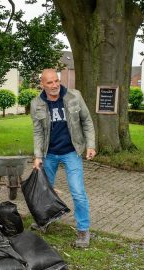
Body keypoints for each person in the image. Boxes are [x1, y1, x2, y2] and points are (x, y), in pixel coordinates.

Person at [30, 69, 96, 248]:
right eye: (49, 83)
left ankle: (83, 230)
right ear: (42, 85)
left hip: (71, 152)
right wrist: (37, 156)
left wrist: (90, 145)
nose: (54, 86)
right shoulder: (36, 103)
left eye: (56, 81)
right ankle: (44, 221)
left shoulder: (74, 96)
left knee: (78, 192)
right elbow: (37, 132)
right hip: (48, 154)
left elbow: (87, 121)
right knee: (45, 191)